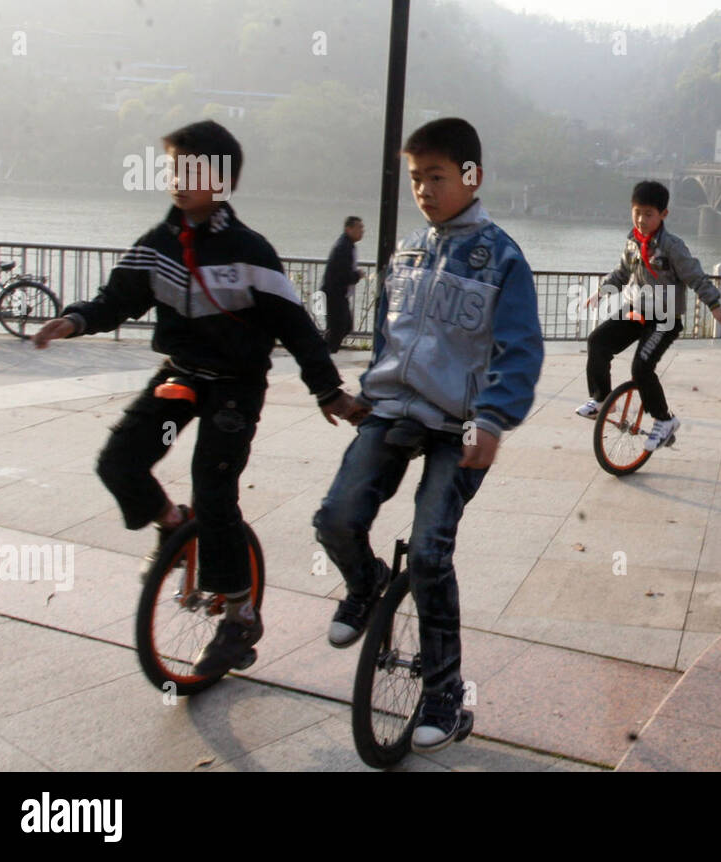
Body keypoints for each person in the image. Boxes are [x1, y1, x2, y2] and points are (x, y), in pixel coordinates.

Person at [30, 120, 358, 677]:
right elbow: (119, 299)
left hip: (235, 384)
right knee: (119, 461)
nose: (177, 180)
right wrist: (76, 318)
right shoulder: (158, 244)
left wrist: (327, 390)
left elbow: (296, 325)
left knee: (215, 487)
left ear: (222, 181)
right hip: (180, 375)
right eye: (172, 169)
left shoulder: (250, 251)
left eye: (191, 170)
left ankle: (238, 612)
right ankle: (170, 526)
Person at [313, 117, 544, 754]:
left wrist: (494, 420)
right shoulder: (409, 250)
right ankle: (365, 585)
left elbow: (520, 351)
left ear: (472, 176)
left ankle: (445, 693)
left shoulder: (503, 258)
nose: (423, 190)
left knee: (432, 553)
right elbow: (392, 335)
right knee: (335, 518)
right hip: (392, 413)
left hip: (462, 427)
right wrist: (370, 389)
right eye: (415, 178)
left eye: (435, 177)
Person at [576, 180, 721, 452]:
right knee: (597, 342)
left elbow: (695, 276)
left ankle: (664, 420)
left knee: (641, 368)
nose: (641, 219)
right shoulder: (633, 241)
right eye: (636, 212)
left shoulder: (673, 246)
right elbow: (622, 272)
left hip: (665, 318)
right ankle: (601, 400)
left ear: (663, 215)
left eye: (648, 214)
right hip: (636, 310)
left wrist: (715, 306)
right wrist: (602, 292)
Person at [319, 216, 365, 352]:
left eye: (362, 228)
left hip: (338, 295)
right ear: (348, 229)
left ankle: (323, 351)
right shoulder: (343, 247)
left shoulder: (347, 245)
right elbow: (343, 275)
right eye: (359, 228)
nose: (362, 231)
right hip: (333, 295)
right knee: (337, 329)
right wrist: (358, 275)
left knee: (344, 327)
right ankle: (322, 354)